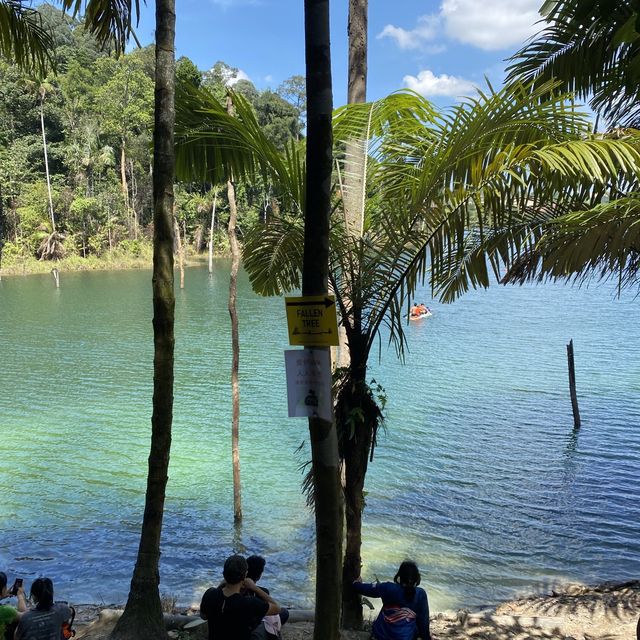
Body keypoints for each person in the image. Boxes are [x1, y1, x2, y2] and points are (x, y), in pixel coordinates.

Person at [200, 554, 281, 640]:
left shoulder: (210, 594)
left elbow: (203, 616)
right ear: (245, 575)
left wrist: (221, 585)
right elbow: (277, 608)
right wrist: (254, 587)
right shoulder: (250, 603)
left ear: (224, 574)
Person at [353, 560, 431, 640]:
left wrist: (356, 584)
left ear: (399, 576)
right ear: (416, 578)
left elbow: (367, 589)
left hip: (380, 635)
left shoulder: (388, 588)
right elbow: (423, 622)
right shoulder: (420, 594)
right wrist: (426, 638)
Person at [244, 555, 289, 638]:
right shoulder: (261, 594)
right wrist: (255, 588)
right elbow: (276, 609)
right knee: (284, 613)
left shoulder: (235, 589)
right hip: (254, 628)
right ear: (259, 576)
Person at [0, 572, 26, 640]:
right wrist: (20, 596)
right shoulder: (5, 611)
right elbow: (26, 617)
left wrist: (2, 596)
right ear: (3, 588)